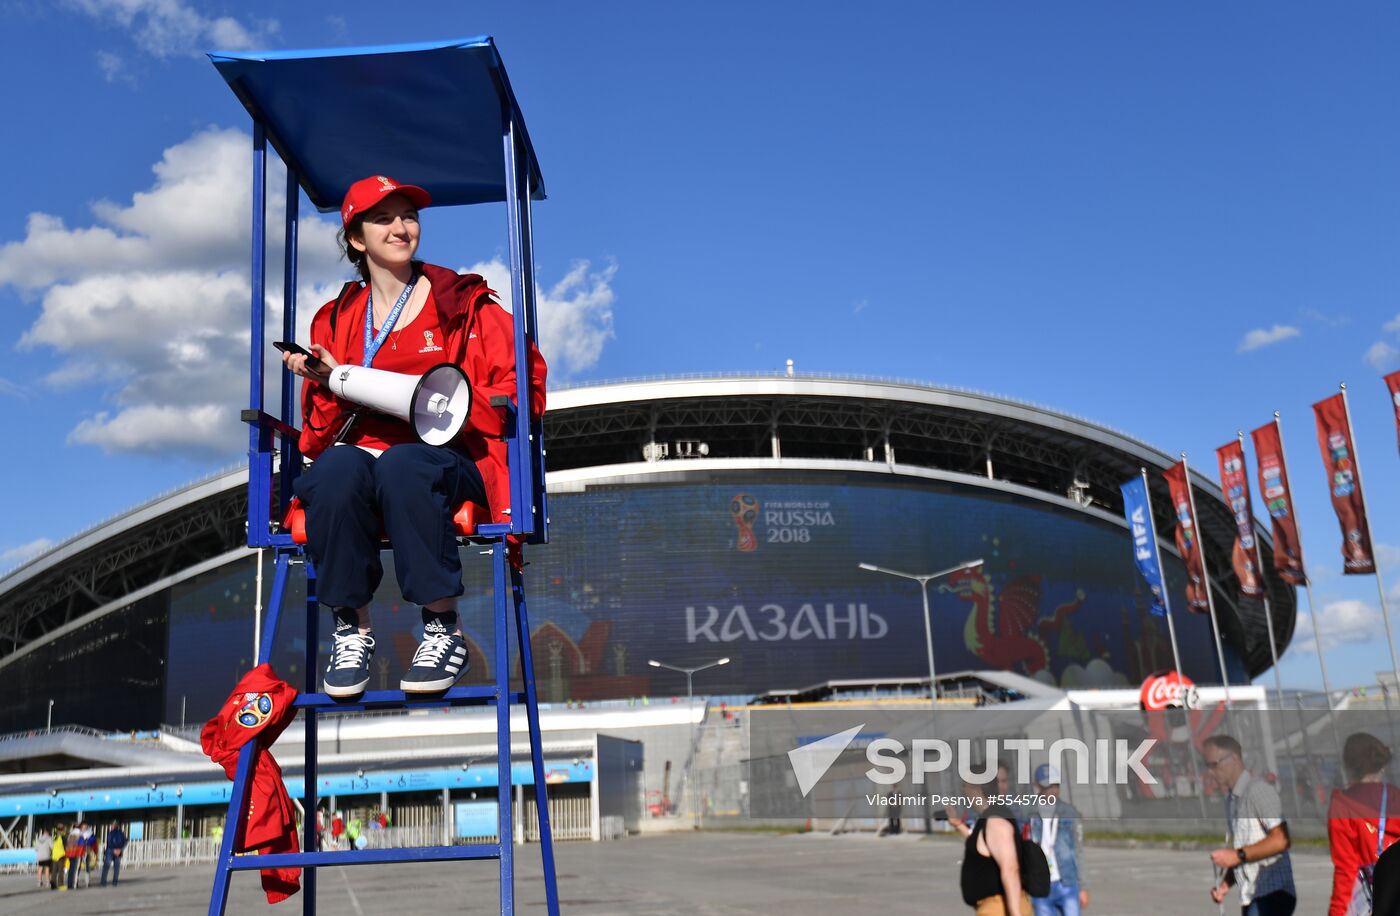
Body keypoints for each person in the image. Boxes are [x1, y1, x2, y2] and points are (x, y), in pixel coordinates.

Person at [283, 175, 546, 699]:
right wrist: (327, 382)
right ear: (356, 238)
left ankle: (442, 627)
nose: (400, 228)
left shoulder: (465, 302)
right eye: (383, 219)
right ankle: (351, 629)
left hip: (451, 459)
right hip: (363, 460)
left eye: (408, 216)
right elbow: (314, 439)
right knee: (333, 471)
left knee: (404, 464)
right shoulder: (335, 319)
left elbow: (526, 386)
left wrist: (463, 407)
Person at [1205, 734, 1296, 915]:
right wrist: (1225, 884)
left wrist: (1236, 855)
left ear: (1234, 759)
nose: (1210, 772)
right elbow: (1245, 852)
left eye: (1214, 764)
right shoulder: (1232, 800)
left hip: (1273, 893)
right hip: (1253, 894)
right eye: (1208, 766)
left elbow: (1281, 839)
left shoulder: (1259, 791)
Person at [1327, 732, 1400, 915]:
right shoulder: (1395, 796)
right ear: (1381, 766)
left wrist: (1336, 912)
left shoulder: (1342, 805)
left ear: (1348, 766)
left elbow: (1346, 869)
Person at [1029, 765, 1088, 916]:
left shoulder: (1069, 812)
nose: (1053, 790)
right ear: (1037, 786)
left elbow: (1078, 850)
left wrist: (1082, 887)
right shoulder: (1029, 813)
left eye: (1056, 785)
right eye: (1048, 786)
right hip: (1040, 885)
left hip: (1067, 882)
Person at [961, 796, 1031, 916]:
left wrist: (1015, 912)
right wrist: (959, 825)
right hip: (996, 905)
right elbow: (984, 847)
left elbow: (1010, 869)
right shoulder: (989, 818)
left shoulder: (995, 820)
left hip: (998, 906)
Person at [101, 821, 127, 887]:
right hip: (118, 851)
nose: (111, 826)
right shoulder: (121, 833)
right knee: (116, 868)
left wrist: (114, 850)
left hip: (110, 850)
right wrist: (120, 849)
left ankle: (103, 882)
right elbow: (125, 841)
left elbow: (109, 842)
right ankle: (114, 882)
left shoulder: (110, 833)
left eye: (112, 825)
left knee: (106, 866)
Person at [50, 823, 66, 890]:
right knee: (60, 871)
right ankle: (60, 884)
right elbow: (65, 845)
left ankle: (53, 884)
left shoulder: (54, 836)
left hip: (54, 855)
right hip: (61, 855)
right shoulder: (63, 836)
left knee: (54, 871)